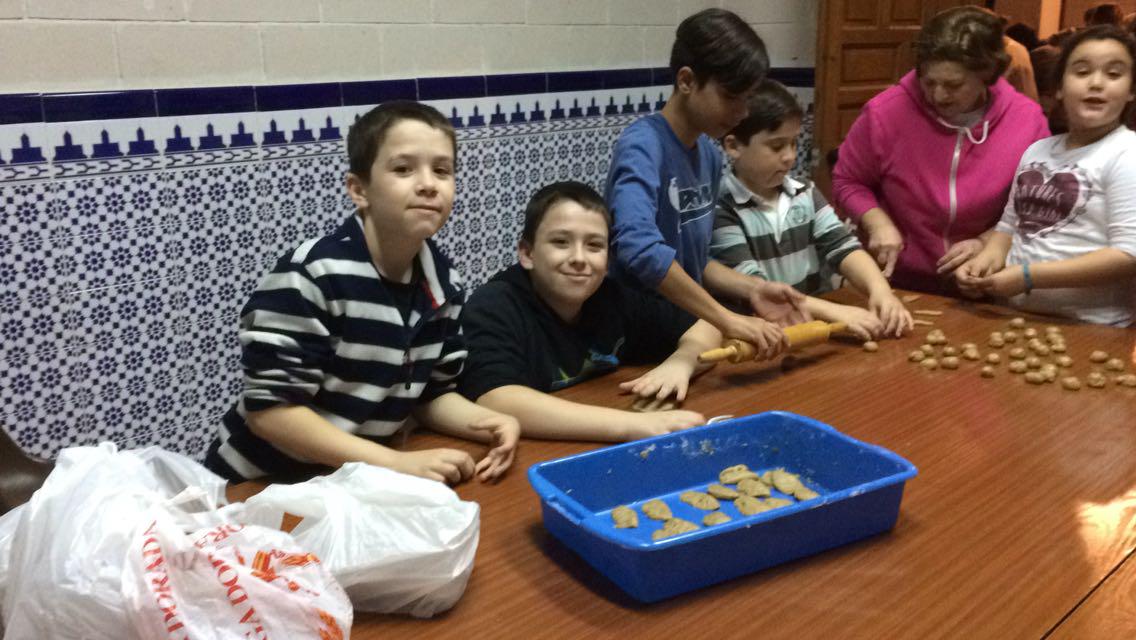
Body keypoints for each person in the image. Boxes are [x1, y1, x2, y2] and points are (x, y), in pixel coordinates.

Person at [203, 101, 519, 484]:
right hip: (257, 487)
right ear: (359, 189)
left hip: (351, 482)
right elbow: (271, 413)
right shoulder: (313, 276)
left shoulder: (443, 285)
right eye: (403, 169)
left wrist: (489, 422)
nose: (428, 183)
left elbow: (432, 395)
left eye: (442, 170)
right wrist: (393, 463)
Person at [460, 181, 744, 442]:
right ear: (527, 253)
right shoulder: (494, 305)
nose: (579, 259)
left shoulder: (611, 296)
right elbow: (497, 399)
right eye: (561, 242)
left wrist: (681, 363)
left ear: (608, 259)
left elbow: (705, 327)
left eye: (594, 245)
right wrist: (634, 425)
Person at [605, 8, 809, 362]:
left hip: (689, 328)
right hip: (636, 333)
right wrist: (725, 318)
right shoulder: (642, 145)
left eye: (748, 99)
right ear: (686, 81)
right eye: (732, 97)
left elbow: (694, 262)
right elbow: (638, 250)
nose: (743, 113)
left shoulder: (709, 155)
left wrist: (754, 289)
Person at [832, 5, 1050, 295]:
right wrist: (877, 223)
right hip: (897, 282)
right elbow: (848, 179)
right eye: (929, 82)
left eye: (953, 85)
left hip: (986, 282)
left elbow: (1033, 205)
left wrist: (987, 242)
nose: (937, 95)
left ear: (988, 75)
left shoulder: (1027, 120)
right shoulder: (885, 112)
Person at [956, 25, 1136, 327]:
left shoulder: (1127, 153)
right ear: (1060, 88)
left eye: (1114, 74)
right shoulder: (1037, 150)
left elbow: (1127, 255)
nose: (1096, 83)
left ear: (1132, 90)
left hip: (1092, 326)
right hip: (1015, 316)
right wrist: (985, 261)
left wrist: (1028, 277)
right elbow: (1010, 225)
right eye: (1081, 72)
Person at [711, 80, 914, 340]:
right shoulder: (721, 207)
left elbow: (842, 247)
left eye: (794, 143)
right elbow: (754, 284)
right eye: (776, 146)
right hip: (760, 338)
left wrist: (880, 290)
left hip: (813, 331)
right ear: (734, 146)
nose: (789, 156)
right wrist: (836, 311)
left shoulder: (803, 192)